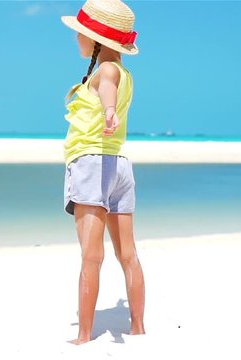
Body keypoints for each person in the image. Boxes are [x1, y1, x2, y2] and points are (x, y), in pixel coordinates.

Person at [61, 0, 145, 345]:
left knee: (91, 255)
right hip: (118, 165)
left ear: (98, 40)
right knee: (128, 253)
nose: (76, 39)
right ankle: (138, 326)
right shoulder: (124, 72)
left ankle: (83, 336)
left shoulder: (107, 70)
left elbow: (106, 86)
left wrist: (109, 111)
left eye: (80, 33)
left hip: (92, 165)